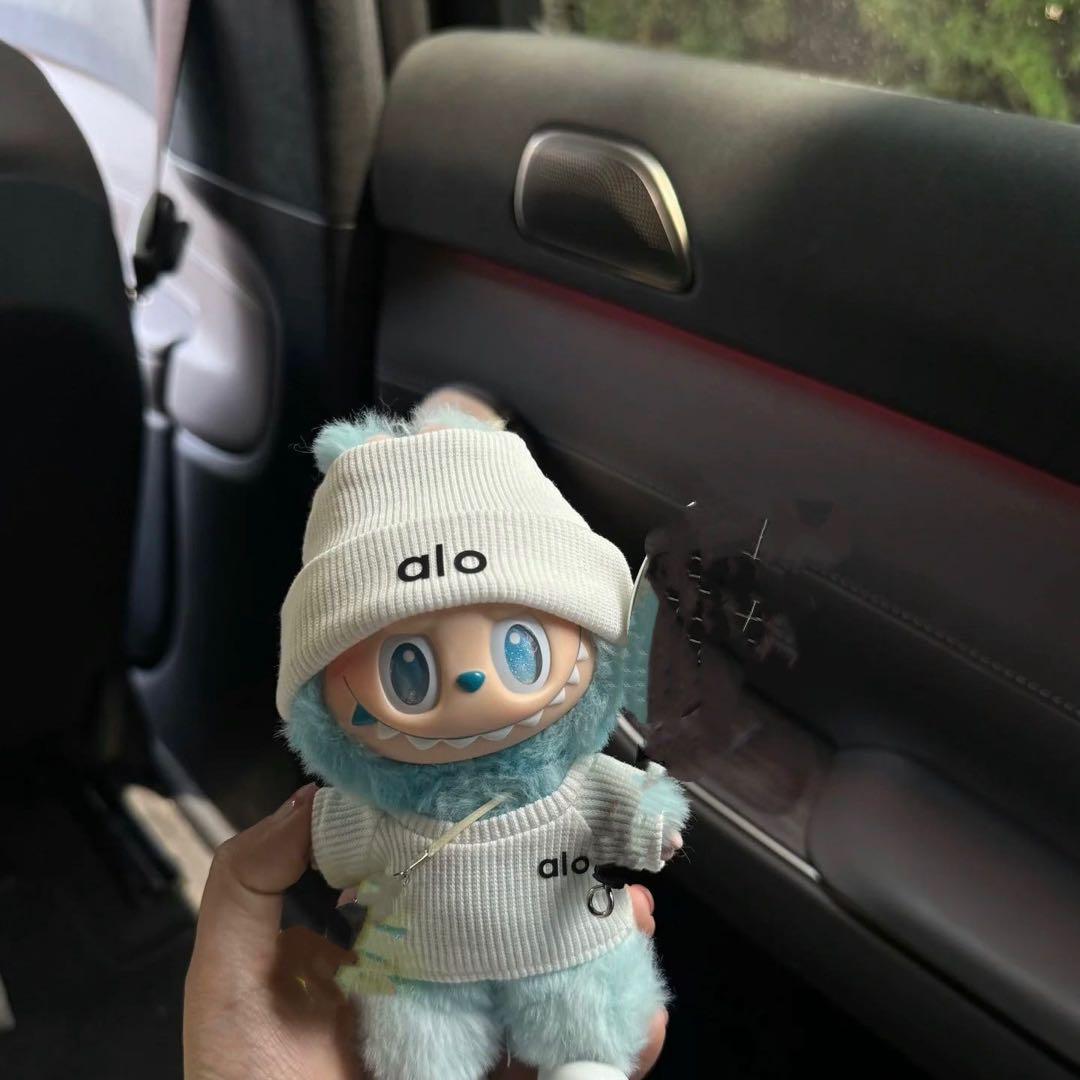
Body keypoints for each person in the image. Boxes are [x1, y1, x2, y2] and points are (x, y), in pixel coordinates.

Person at [184, 783, 669, 1080]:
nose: (472, 679)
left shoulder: (571, 783)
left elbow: (637, 803)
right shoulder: (383, 809)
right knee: (424, 1047)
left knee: (585, 1035)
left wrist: (655, 819)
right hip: (430, 969)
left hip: (556, 948)